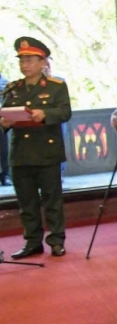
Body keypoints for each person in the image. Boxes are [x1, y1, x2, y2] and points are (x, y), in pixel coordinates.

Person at [1, 37, 72, 258]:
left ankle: (57, 240)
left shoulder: (56, 86)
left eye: (30, 60)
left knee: (52, 200)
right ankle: (32, 242)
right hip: (21, 153)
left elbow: (65, 112)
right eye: (22, 61)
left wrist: (45, 114)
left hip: (47, 151)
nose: (25, 65)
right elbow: (4, 114)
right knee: (26, 202)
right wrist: (5, 123)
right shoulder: (13, 88)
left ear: (43, 62)